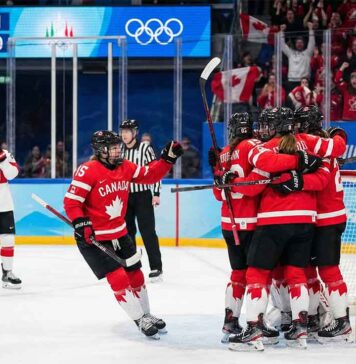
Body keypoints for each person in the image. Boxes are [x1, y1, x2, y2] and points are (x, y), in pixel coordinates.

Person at [208, 111, 322, 346]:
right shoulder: (255, 146)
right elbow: (254, 187)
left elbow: (219, 193)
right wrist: (300, 160)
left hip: (230, 224)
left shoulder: (225, 153)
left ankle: (231, 321)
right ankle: (276, 323)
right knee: (268, 273)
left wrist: (220, 175)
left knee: (239, 274)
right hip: (252, 222)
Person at [63, 130, 183, 338]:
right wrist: (81, 223)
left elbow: (149, 175)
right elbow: (71, 202)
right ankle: (139, 319)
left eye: (118, 146)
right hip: (94, 237)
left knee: (135, 273)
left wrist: (167, 159)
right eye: (113, 147)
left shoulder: (125, 167)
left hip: (120, 233)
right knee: (118, 277)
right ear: (101, 150)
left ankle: (146, 314)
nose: (119, 150)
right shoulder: (88, 170)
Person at [119, 120, 164, 281]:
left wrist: (156, 193)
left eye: (127, 131)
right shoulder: (120, 150)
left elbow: (155, 170)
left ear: (135, 132)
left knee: (148, 233)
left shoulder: (145, 148)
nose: (124, 134)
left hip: (143, 196)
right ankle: (131, 266)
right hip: (125, 197)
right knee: (127, 233)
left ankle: (156, 267)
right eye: (122, 131)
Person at [0, 146, 22, 289]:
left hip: (4, 204)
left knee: (8, 238)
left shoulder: (5, 154)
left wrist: (3, 162)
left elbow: (13, 174)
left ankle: (7, 273)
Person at [280, 22, 315, 94]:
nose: (299, 44)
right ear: (295, 44)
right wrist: (282, 31)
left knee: (305, 100)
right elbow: (282, 45)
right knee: (292, 101)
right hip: (291, 81)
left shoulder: (307, 53)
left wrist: (311, 29)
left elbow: (312, 43)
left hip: (304, 81)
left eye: (301, 42)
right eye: (297, 43)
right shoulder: (291, 53)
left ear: (304, 44)